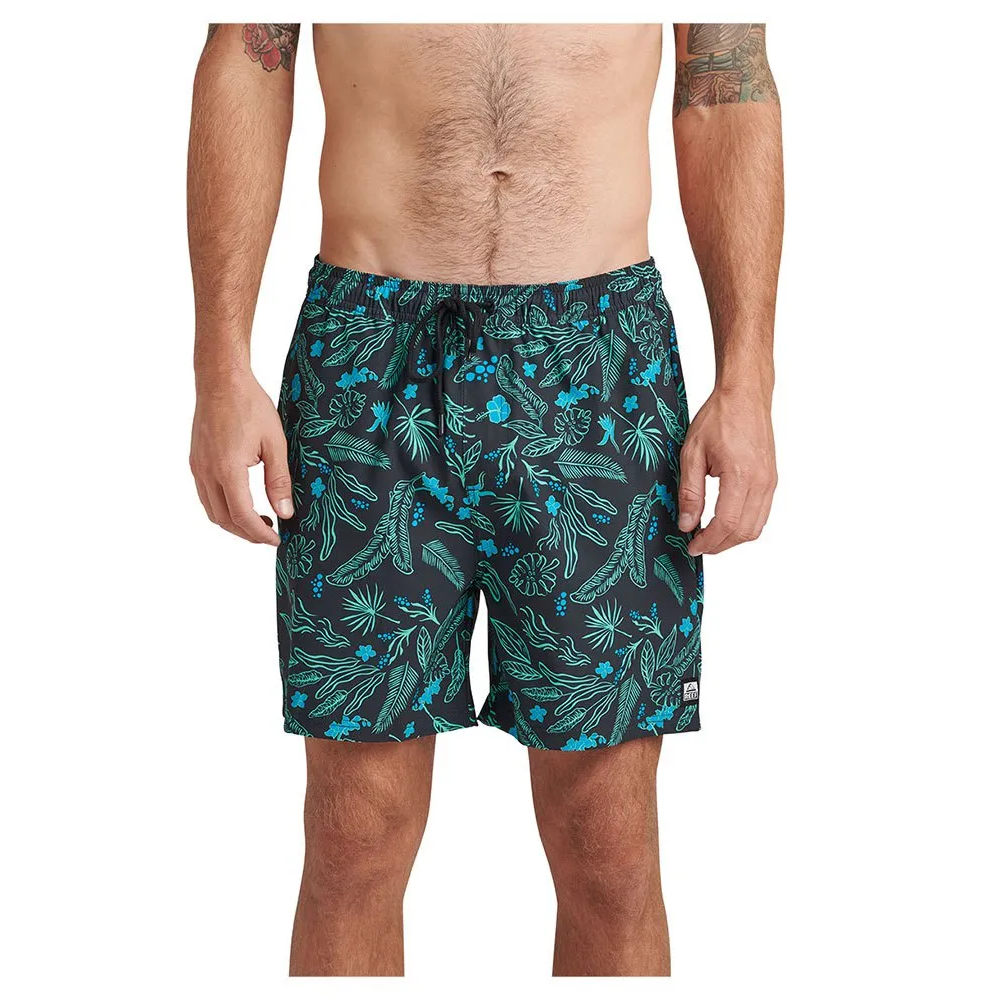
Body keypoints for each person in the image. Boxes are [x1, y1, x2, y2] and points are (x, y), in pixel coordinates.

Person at [187, 23, 781, 977]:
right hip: (369, 351)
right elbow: (253, 53)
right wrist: (220, 364)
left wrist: (747, 378)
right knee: (353, 836)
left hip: (597, 364)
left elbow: (723, 82)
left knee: (611, 846)